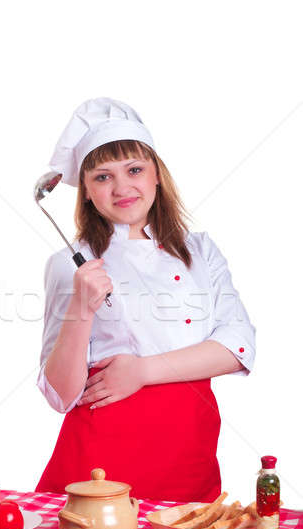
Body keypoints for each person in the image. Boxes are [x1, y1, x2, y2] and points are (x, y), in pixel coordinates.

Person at [35, 97, 255, 502]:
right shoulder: (70, 264)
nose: (122, 188)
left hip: (189, 454)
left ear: (157, 175)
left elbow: (238, 347)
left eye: (134, 169)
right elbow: (60, 393)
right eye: (102, 177)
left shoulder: (200, 251)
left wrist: (140, 371)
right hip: (98, 464)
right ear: (85, 191)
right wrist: (80, 308)